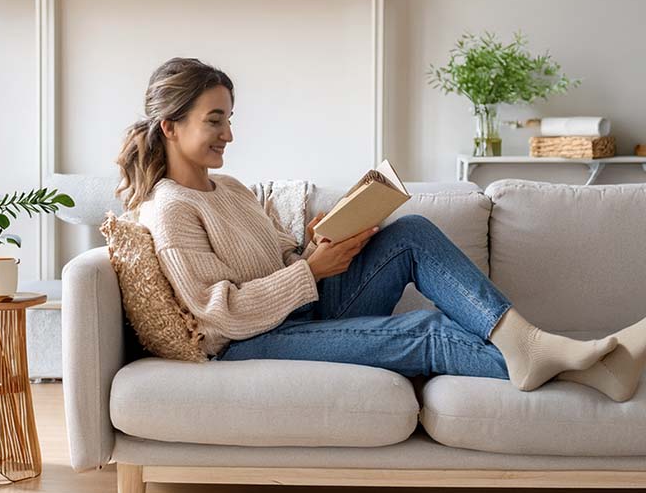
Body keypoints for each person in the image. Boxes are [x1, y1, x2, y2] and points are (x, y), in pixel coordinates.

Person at [119, 57, 646, 402]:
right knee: (426, 333)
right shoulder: (169, 210)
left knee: (411, 232)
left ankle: (526, 342)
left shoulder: (228, 188)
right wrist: (309, 270)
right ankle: (581, 367)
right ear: (170, 125)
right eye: (215, 120)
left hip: (301, 307)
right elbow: (217, 315)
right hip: (252, 341)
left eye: (229, 118)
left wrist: (314, 244)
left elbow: (278, 260)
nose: (228, 133)